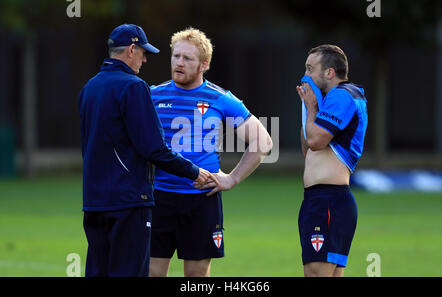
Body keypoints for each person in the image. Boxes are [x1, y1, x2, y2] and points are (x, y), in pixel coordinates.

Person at [78, 24, 215, 277]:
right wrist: (194, 171)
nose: (144, 59)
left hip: (93, 202)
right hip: (128, 202)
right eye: (143, 52)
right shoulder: (134, 86)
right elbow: (154, 148)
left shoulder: (89, 88)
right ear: (132, 49)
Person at [149, 27, 273, 277]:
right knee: (151, 272)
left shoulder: (221, 99)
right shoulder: (152, 95)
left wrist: (232, 178)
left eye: (188, 58)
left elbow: (263, 142)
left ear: (204, 64)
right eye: (176, 56)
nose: (179, 63)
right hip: (158, 198)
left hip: (201, 200)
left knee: (196, 275)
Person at [297, 44, 368, 277]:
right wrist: (308, 108)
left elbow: (316, 140)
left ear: (329, 73)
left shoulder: (343, 95)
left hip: (328, 201)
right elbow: (309, 152)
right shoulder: (332, 100)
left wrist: (310, 108)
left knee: (315, 274)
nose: (305, 76)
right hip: (320, 200)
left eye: (310, 69)